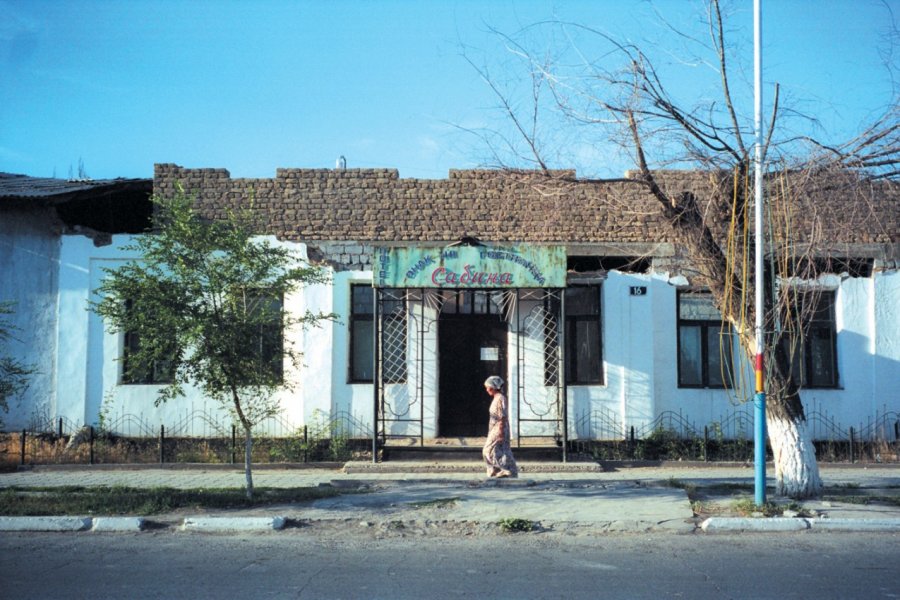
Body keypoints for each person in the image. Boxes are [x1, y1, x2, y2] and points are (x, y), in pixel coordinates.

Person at [482, 375, 518, 478]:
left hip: (499, 428)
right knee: (497, 450)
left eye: (487, 387)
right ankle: (497, 470)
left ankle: (507, 470)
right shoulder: (496, 398)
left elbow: (502, 416)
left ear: (493, 387)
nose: (486, 389)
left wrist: (501, 432)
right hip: (495, 428)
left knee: (489, 450)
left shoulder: (500, 398)